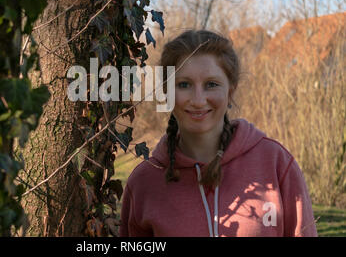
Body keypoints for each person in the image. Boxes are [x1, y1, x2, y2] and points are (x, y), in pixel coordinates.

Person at [119, 30, 318, 237]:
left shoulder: (275, 164)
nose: (198, 100)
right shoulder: (144, 182)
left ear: (230, 91)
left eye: (211, 84)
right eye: (184, 85)